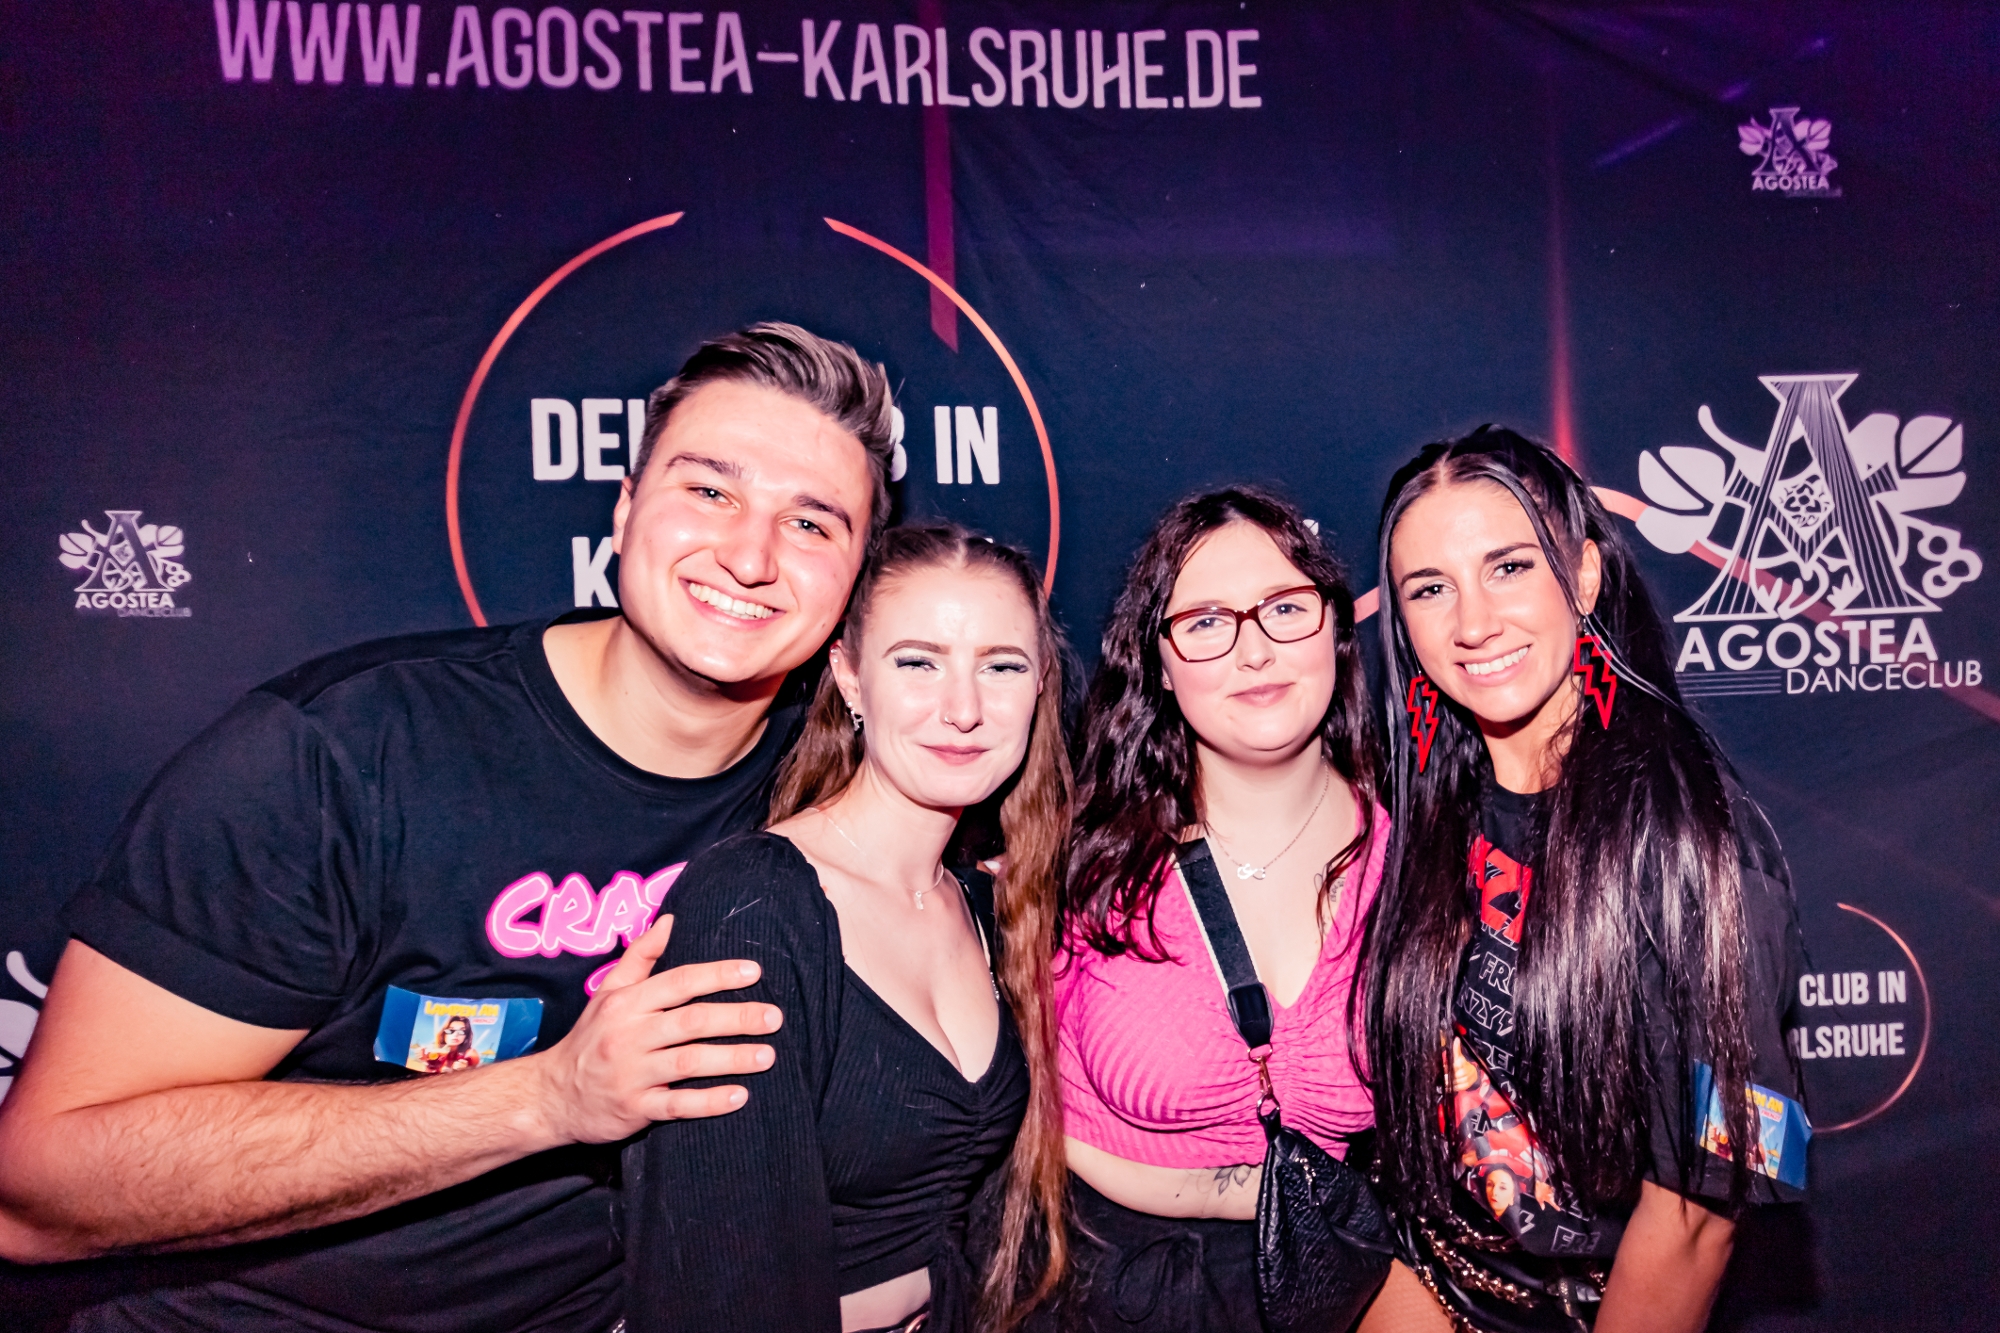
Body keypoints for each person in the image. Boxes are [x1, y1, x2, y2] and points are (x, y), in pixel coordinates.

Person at [0, 323, 898, 1333]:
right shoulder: (345, 752)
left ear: (856, 586)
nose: (750, 554)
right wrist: (546, 1098)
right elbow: (38, 1191)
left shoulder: (845, 794)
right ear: (623, 508)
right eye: (709, 490)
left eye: (811, 523)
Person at [1357, 427, 1808, 1333]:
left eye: (1509, 567)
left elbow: (1702, 1213)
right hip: (1418, 1279)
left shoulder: (1690, 840)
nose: (1473, 622)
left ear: (1587, 575)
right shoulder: (1422, 802)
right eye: (1430, 588)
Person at [623, 524, 1072, 1333]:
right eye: (918, 662)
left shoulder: (980, 902)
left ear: (1040, 685)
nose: (963, 709)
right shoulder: (753, 904)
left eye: (1001, 666)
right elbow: (718, 1278)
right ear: (850, 677)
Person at [1038, 486, 1388, 1332]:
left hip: (1335, 1296)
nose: (1255, 650)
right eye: (1205, 622)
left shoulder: (1417, 865)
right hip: (1097, 1291)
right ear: (1160, 663)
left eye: (1285, 608)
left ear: (1336, 628)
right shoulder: (1078, 862)